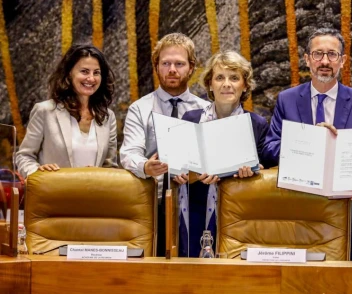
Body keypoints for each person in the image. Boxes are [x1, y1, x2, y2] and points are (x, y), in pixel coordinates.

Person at [263, 28, 352, 261]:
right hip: (298, 216)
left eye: (332, 54)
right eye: (318, 54)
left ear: (343, 61)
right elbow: (269, 149)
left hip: (348, 217)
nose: (325, 61)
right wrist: (312, 143)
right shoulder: (286, 100)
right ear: (307, 59)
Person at [120, 33, 208, 256]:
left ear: (191, 67)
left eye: (179, 64)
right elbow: (129, 153)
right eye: (166, 63)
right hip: (153, 202)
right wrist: (145, 166)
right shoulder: (139, 108)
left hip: (197, 201)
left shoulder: (207, 109)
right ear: (156, 66)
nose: (172, 69)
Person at [180, 50, 268, 257]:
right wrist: (189, 174)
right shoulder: (190, 119)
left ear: (245, 85)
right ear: (210, 84)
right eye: (220, 77)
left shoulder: (257, 124)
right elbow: (176, 170)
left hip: (239, 217)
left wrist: (253, 173)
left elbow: (265, 173)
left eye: (234, 78)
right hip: (195, 211)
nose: (226, 84)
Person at [15, 44, 118, 177]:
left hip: (92, 195)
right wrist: (38, 173)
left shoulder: (107, 116)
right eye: (84, 71)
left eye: (96, 73)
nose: (91, 78)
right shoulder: (45, 111)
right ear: (69, 73)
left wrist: (97, 174)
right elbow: (24, 156)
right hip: (53, 194)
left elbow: (110, 167)